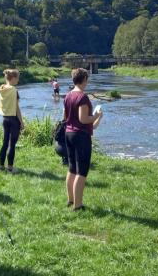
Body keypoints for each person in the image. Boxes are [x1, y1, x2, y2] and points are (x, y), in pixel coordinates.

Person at [64, 68, 103, 211]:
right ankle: (78, 206)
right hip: (81, 136)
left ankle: (70, 200)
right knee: (82, 172)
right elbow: (83, 119)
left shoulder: (68, 95)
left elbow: (66, 116)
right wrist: (97, 115)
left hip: (68, 133)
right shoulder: (83, 97)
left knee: (72, 168)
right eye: (87, 79)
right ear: (84, 80)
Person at [0, 69, 23, 173]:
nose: (18, 80)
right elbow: (17, 108)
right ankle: (10, 167)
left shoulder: (1, 89)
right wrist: (21, 122)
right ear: (13, 78)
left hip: (5, 118)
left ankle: (1, 166)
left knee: (4, 143)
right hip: (13, 119)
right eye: (17, 78)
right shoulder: (14, 90)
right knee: (12, 145)